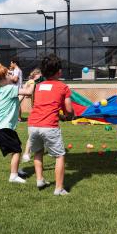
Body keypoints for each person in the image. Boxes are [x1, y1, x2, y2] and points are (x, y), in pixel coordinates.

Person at [28, 54, 73, 195]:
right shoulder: (63, 87)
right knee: (59, 156)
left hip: (33, 124)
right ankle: (59, 188)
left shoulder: (39, 86)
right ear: (59, 71)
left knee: (38, 152)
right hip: (49, 126)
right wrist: (68, 116)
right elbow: (69, 109)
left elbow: (43, 105)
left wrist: (60, 115)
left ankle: (40, 179)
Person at [0, 64, 34, 183]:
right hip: (3, 127)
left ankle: (16, 170)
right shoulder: (9, 88)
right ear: (1, 80)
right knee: (16, 150)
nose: (10, 74)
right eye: (7, 74)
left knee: (16, 148)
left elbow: (17, 100)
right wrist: (32, 82)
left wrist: (24, 93)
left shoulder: (1, 90)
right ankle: (13, 176)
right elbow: (29, 92)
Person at [21, 68, 42, 162]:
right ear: (35, 75)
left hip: (42, 110)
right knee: (32, 134)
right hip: (36, 111)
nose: (40, 77)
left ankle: (29, 152)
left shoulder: (42, 83)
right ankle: (26, 153)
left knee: (41, 133)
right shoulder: (31, 82)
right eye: (39, 75)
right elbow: (25, 93)